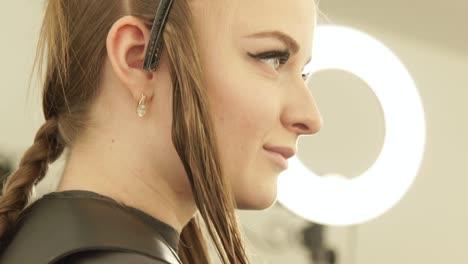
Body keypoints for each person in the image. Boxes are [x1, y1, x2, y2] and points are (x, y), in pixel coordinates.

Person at [0, 0, 322, 263]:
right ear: (139, 60)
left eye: (303, 72)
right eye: (272, 59)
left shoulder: (37, 239)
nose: (310, 117)